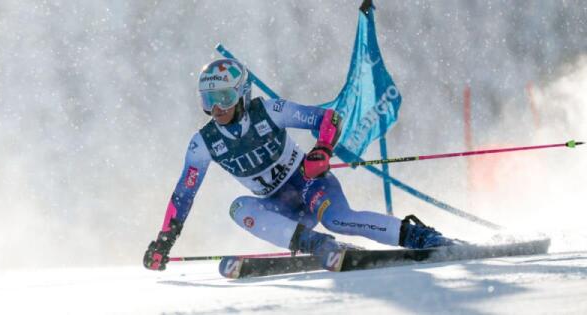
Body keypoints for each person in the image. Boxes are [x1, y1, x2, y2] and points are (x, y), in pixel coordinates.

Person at [143, 58, 454, 271]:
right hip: (282, 207)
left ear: (241, 94)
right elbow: (183, 194)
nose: (216, 108)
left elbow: (328, 118)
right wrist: (165, 240)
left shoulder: (270, 110)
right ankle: (318, 245)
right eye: (208, 100)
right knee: (239, 208)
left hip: (309, 183)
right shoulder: (203, 143)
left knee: (338, 219)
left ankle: (418, 236)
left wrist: (322, 149)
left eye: (223, 97)